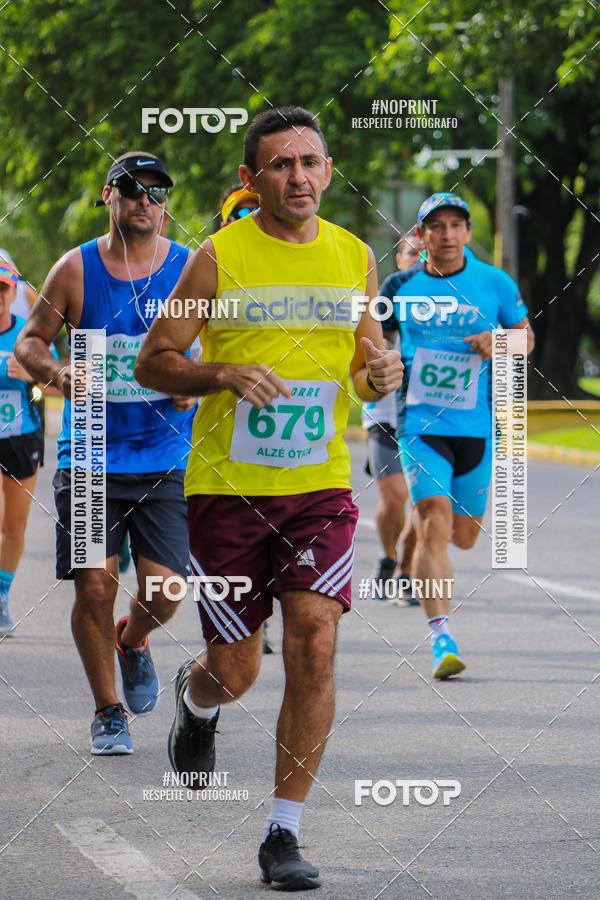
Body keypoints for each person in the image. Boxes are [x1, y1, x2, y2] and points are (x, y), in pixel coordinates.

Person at [135, 106, 403, 890]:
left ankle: (283, 832)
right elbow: (156, 362)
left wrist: (379, 373)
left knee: (315, 643)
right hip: (228, 492)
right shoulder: (220, 258)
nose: (300, 178)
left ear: (327, 170)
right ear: (252, 180)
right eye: (281, 165)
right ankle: (198, 699)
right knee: (238, 669)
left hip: (317, 489)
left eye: (312, 163)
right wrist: (223, 374)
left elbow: (363, 365)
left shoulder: (354, 258)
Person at [15, 152, 197, 754]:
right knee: (94, 585)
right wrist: (59, 374)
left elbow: (220, 346)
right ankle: (107, 709)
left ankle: (134, 639)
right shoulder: (75, 269)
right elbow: (30, 341)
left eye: (155, 191)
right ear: (108, 196)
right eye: (129, 188)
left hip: (164, 454)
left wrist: (190, 382)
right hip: (89, 452)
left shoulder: (190, 270)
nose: (142, 199)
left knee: (167, 591)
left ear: (166, 205)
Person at [383, 192, 534, 678]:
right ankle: (441, 637)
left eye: (455, 226)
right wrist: (379, 367)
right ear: (421, 235)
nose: (446, 235)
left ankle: (428, 526)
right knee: (434, 521)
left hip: (476, 429)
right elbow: (375, 345)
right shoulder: (398, 286)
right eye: (436, 227)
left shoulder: (494, 283)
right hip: (421, 427)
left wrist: (500, 342)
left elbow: (526, 338)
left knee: (464, 536)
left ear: (468, 233)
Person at [363, 232, 423, 602]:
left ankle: (405, 569)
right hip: (383, 417)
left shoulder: (449, 305)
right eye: (412, 254)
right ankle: (387, 557)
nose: (419, 261)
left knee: (426, 501)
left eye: (426, 256)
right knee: (397, 495)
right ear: (399, 260)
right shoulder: (387, 300)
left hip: (426, 418)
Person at [0, 261, 50, 634]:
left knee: (14, 528)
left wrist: (32, 375)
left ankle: (1, 597)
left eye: (3, 289)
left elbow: (60, 384)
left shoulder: (27, 337)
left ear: (14, 293)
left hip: (21, 437)